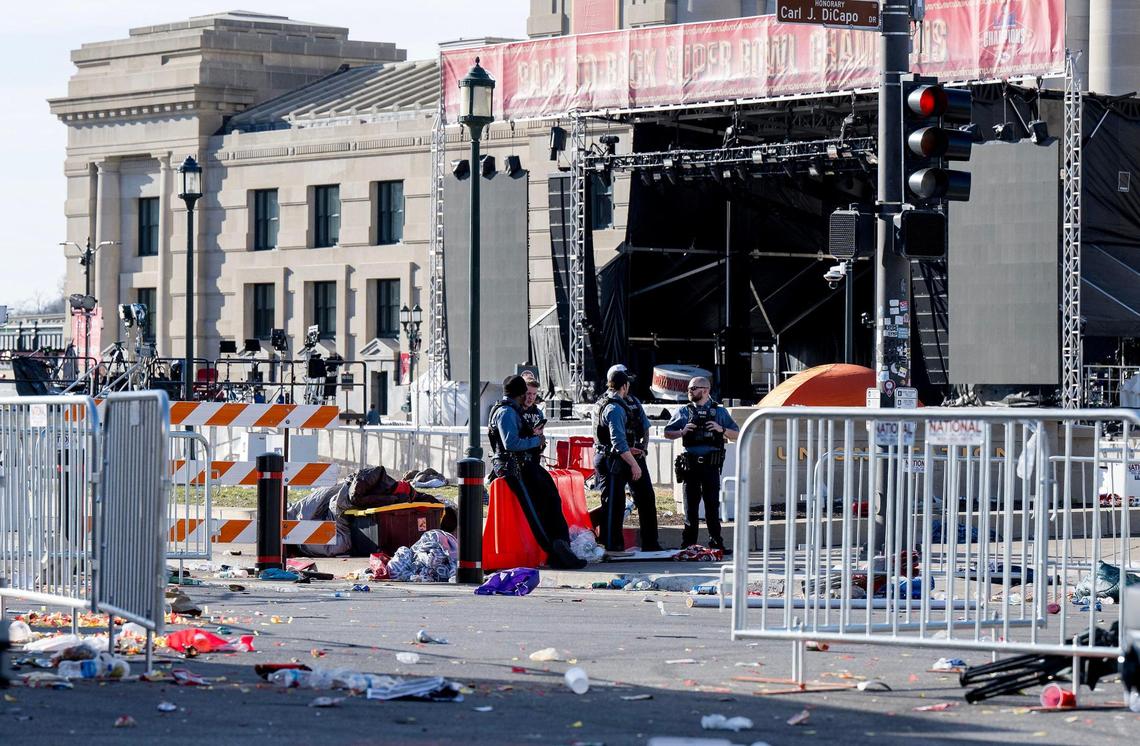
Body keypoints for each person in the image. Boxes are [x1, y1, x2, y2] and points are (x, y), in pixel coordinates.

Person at [488, 375, 586, 569]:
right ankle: (555, 552)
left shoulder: (512, 410)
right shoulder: (506, 412)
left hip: (523, 464)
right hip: (513, 467)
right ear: (520, 393)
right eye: (526, 392)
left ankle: (561, 543)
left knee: (551, 498)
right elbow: (511, 444)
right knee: (535, 511)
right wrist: (536, 441)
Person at [664, 376, 739, 550]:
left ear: (706, 390)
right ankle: (688, 544)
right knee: (691, 508)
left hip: (711, 466)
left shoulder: (719, 412)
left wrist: (722, 430)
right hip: (690, 467)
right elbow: (668, 433)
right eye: (689, 388)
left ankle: (716, 543)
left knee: (712, 506)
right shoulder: (684, 411)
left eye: (693, 388)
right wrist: (682, 431)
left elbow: (738, 433)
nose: (689, 391)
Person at [594, 367, 662, 552]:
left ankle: (651, 543)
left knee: (646, 498)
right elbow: (618, 442)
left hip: (632, 456)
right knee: (614, 503)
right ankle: (612, 544)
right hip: (614, 459)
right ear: (624, 385)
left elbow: (645, 427)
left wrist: (643, 450)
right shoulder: (612, 407)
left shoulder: (631, 402)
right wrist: (634, 464)